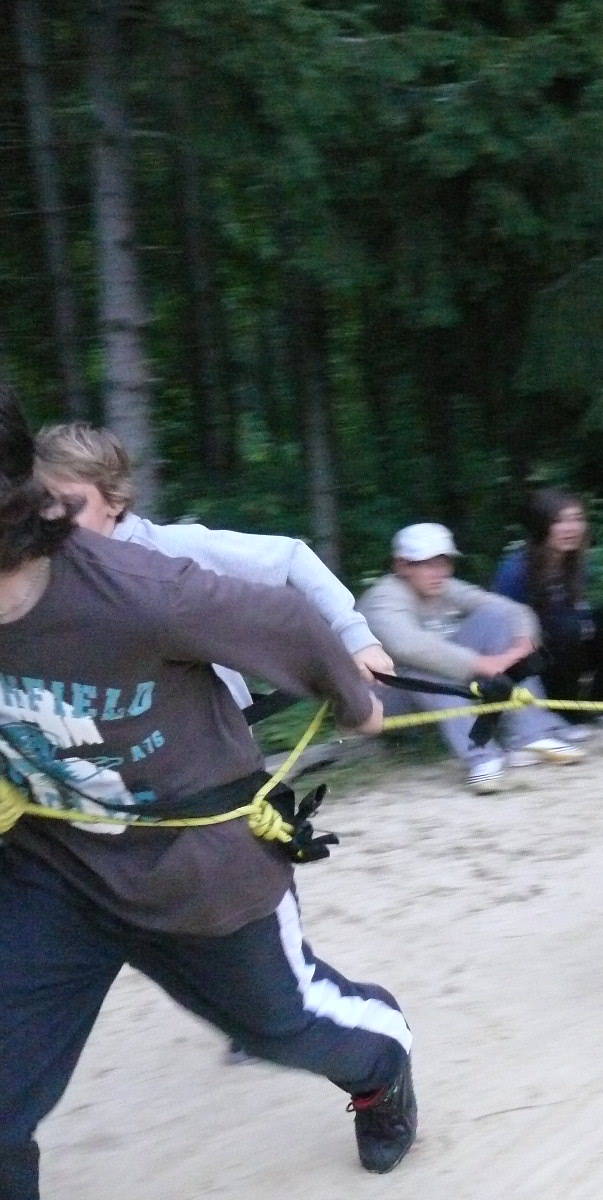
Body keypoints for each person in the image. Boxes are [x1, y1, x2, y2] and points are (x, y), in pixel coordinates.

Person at [0, 388, 415, 1197]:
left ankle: (381, 1064)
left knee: (280, 1025)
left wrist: (357, 697)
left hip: (194, 866)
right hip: (52, 864)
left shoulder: (142, 590)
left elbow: (288, 618)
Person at [32, 422, 394, 701]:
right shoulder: (38, 572)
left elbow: (291, 558)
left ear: (114, 501)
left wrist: (358, 639)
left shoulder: (167, 549)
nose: (52, 516)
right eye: (42, 502)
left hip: (217, 757)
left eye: (70, 503)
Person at [359, 521, 584, 793]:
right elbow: (409, 646)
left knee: (497, 619)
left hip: (440, 688)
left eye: (445, 562)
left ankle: (529, 736)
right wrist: (481, 664)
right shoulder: (383, 598)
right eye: (428, 564)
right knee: (424, 667)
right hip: (383, 702)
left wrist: (522, 644)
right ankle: (481, 757)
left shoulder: (443, 587)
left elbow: (511, 610)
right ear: (402, 566)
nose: (440, 572)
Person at [492, 489, 603, 723]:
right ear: (541, 525)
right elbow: (500, 625)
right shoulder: (516, 569)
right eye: (559, 521)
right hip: (531, 656)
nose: (571, 528)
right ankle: (566, 713)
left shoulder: (576, 561)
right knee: (565, 626)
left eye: (577, 519)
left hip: (571, 645)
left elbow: (580, 610)